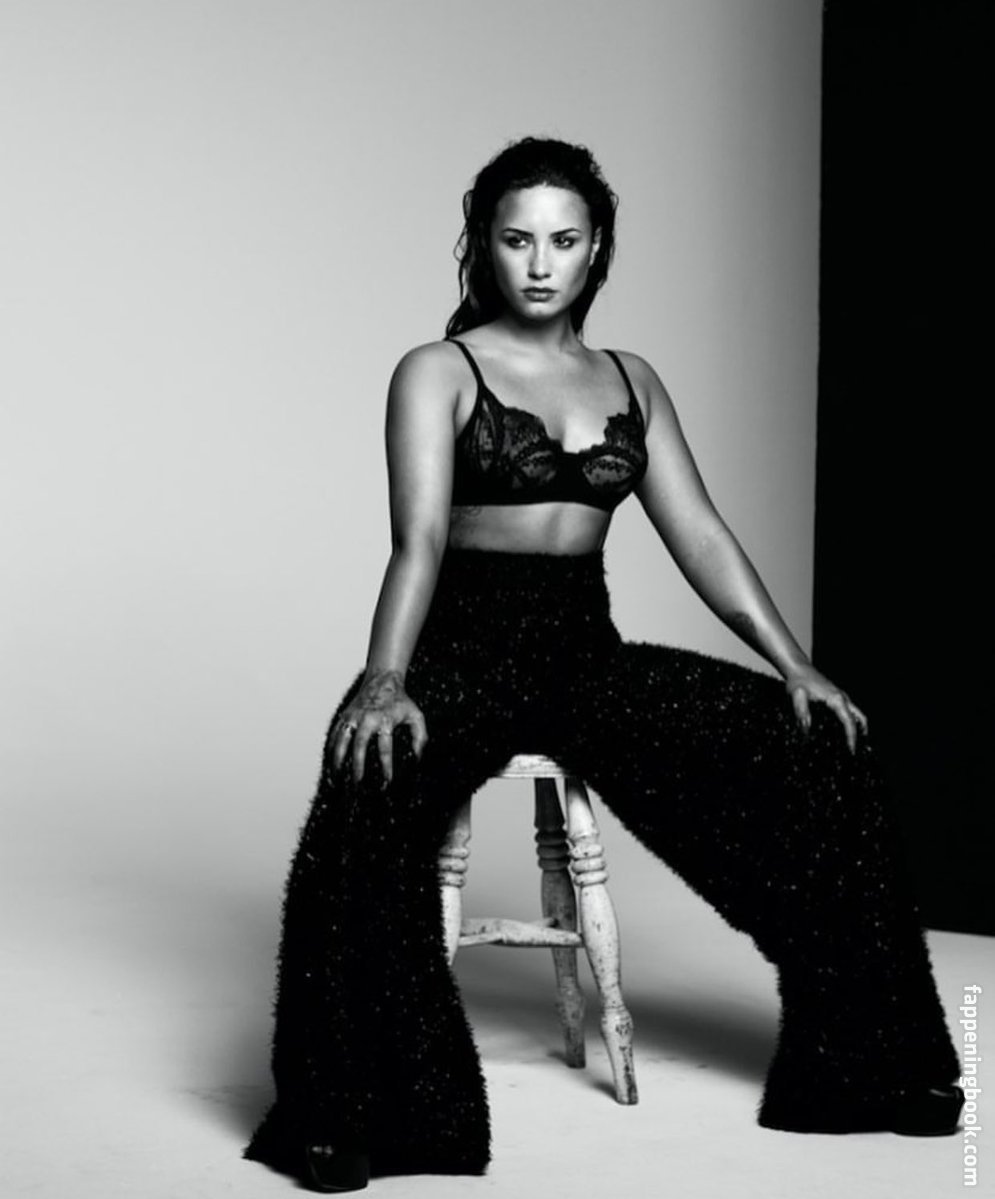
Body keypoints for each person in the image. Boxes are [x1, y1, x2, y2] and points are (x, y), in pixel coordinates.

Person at [243, 136, 963, 1193]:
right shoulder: (436, 370)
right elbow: (418, 541)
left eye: (563, 240)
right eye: (516, 239)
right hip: (461, 651)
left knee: (820, 743)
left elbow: (700, 534)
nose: (539, 263)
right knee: (366, 784)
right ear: (483, 246)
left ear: (596, 250)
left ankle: (877, 1065)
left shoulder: (632, 379)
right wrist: (385, 678)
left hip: (584, 654)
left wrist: (795, 666)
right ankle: (352, 1110)